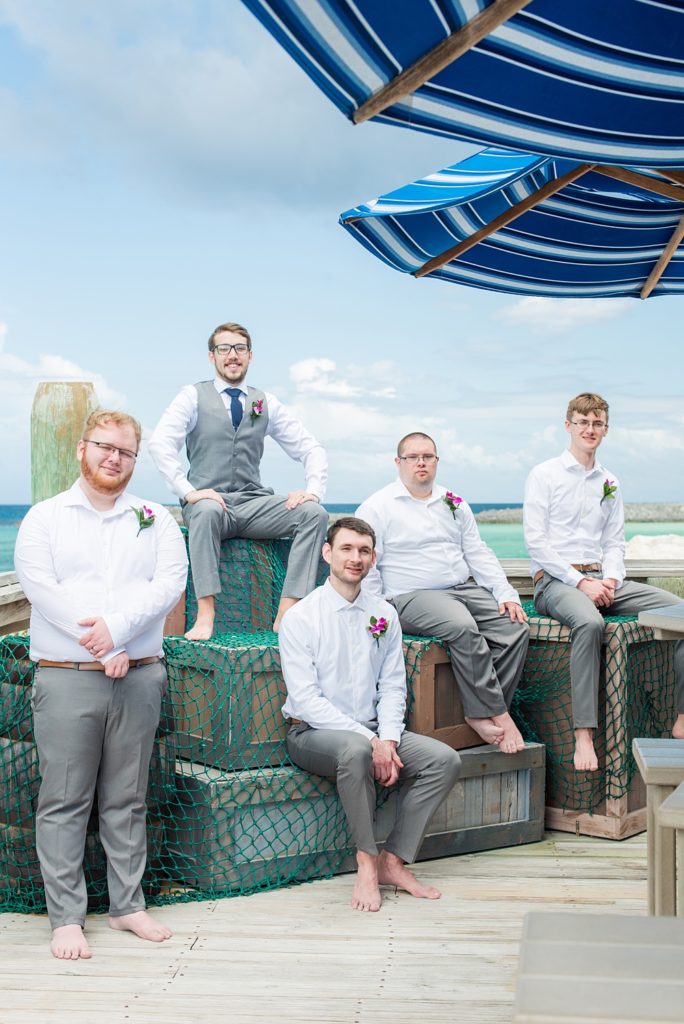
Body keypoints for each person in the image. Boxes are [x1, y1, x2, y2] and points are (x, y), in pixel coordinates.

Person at [14, 410, 188, 960]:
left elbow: (168, 584)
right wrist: (104, 644)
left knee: (127, 799)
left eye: (126, 452)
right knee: (64, 801)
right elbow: (43, 591)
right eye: (105, 447)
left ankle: (126, 907)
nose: (114, 458)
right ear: (82, 449)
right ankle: (65, 918)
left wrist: (121, 631)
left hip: (139, 678)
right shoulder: (45, 518)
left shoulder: (154, 517)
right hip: (67, 680)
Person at [279, 517, 461, 913]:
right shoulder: (300, 618)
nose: (355, 558)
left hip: (377, 732)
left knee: (443, 760)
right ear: (327, 553)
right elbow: (306, 700)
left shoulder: (384, 614)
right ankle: (366, 860)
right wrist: (371, 741)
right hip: (312, 734)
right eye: (346, 549)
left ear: (373, 558)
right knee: (354, 752)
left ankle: (393, 862)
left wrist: (389, 739)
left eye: (364, 551)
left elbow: (393, 685)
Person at [523, 392, 684, 772]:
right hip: (555, 582)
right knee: (590, 622)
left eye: (597, 423)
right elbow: (536, 542)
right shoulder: (543, 474)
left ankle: (682, 717)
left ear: (606, 429)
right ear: (568, 426)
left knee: (679, 612)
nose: (590, 429)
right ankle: (583, 735)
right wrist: (581, 583)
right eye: (583, 422)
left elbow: (614, 541)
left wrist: (609, 579)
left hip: (603, 578)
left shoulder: (610, 480)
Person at [149, 321, 328, 640]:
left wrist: (312, 491)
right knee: (204, 511)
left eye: (240, 348)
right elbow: (160, 443)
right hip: (211, 506)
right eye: (224, 348)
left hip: (253, 503)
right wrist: (189, 492)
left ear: (250, 356)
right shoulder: (192, 396)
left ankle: (287, 610)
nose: (232, 355)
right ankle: (206, 614)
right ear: (212, 357)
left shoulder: (264, 402)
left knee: (314, 515)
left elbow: (310, 448)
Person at [356, 433, 529, 754]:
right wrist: (377, 611)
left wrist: (505, 591)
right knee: (462, 626)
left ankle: (481, 709)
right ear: (399, 463)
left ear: (436, 461)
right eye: (412, 457)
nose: (421, 463)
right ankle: (498, 717)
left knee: (514, 627)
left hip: (462, 588)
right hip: (410, 595)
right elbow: (368, 564)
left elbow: (477, 551)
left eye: (428, 457)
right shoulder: (377, 506)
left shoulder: (453, 501)